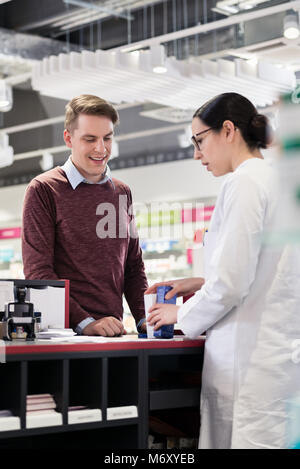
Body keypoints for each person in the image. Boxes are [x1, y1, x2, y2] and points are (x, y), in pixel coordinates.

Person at [146, 92, 300, 449]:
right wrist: (201, 282)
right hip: (277, 363)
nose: (197, 154)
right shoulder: (278, 181)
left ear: (228, 130)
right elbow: (267, 269)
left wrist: (179, 313)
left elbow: (231, 285)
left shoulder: (243, 182)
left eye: (200, 141)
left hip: (249, 368)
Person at [22, 94, 148, 336]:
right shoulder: (44, 189)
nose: (101, 149)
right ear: (69, 138)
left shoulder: (121, 192)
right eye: (90, 139)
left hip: (112, 333)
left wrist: (146, 320)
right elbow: (38, 272)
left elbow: (132, 267)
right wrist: (85, 323)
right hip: (63, 338)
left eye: (107, 138)